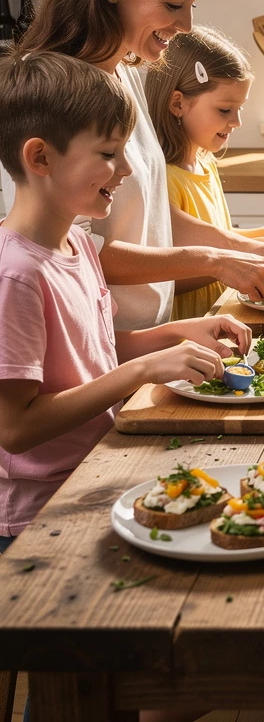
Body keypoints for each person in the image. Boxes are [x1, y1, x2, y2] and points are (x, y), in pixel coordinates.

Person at [2, 0, 264, 330]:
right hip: (99, 344)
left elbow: (149, 213)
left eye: (192, 5)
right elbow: (67, 250)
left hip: (148, 338)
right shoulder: (49, 92)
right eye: (173, 4)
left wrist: (242, 246)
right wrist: (214, 259)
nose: (186, 25)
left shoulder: (124, 72)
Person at [0, 52, 251, 551]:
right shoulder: (16, 275)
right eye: (108, 153)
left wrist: (174, 336)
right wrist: (142, 371)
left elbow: (93, 351)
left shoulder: (76, 244)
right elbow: (15, 428)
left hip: (95, 475)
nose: (128, 169)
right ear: (41, 158)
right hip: (37, 519)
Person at [146, 27, 264, 319]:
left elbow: (219, 238)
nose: (237, 121)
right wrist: (239, 261)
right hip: (187, 328)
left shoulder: (204, 162)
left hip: (220, 317)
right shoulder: (164, 178)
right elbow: (163, 277)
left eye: (239, 108)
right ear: (177, 103)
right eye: (225, 110)